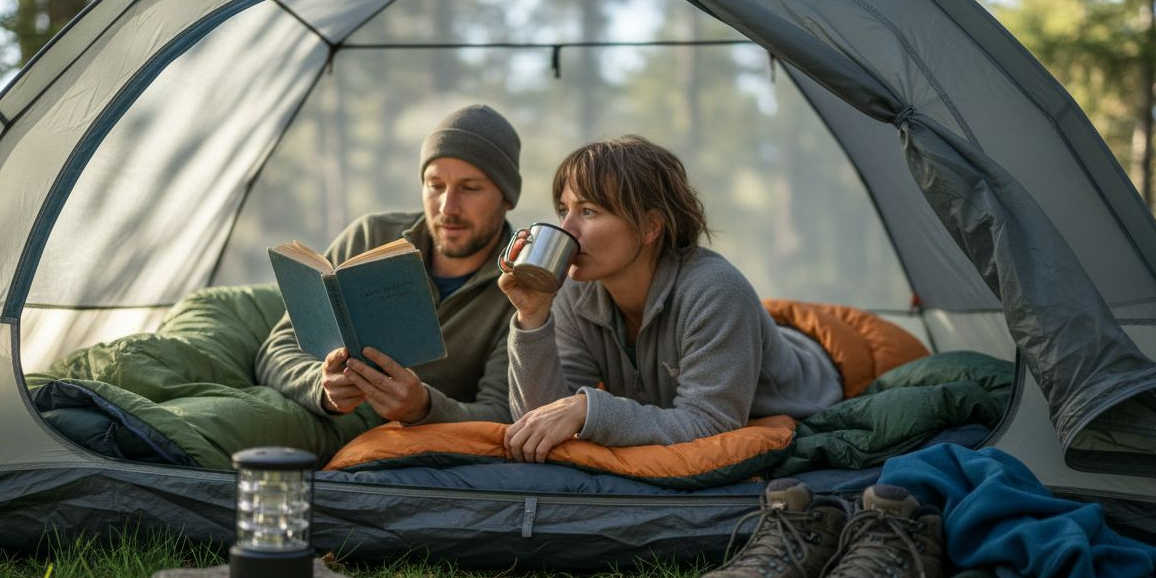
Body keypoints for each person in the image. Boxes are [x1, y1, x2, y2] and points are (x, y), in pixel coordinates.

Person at [499, 135, 843, 463]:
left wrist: (590, 410)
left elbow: (710, 424)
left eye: (588, 211)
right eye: (563, 210)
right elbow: (539, 423)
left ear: (650, 226)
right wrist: (533, 318)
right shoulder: (575, 292)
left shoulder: (715, 290)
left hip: (808, 394)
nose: (566, 228)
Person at [256, 104, 521, 460]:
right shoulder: (371, 238)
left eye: (470, 188)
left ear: (507, 198)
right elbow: (276, 350)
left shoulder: (521, 286)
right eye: (435, 185)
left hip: (412, 454)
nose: (447, 207)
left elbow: (504, 415)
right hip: (324, 425)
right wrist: (323, 386)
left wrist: (423, 408)